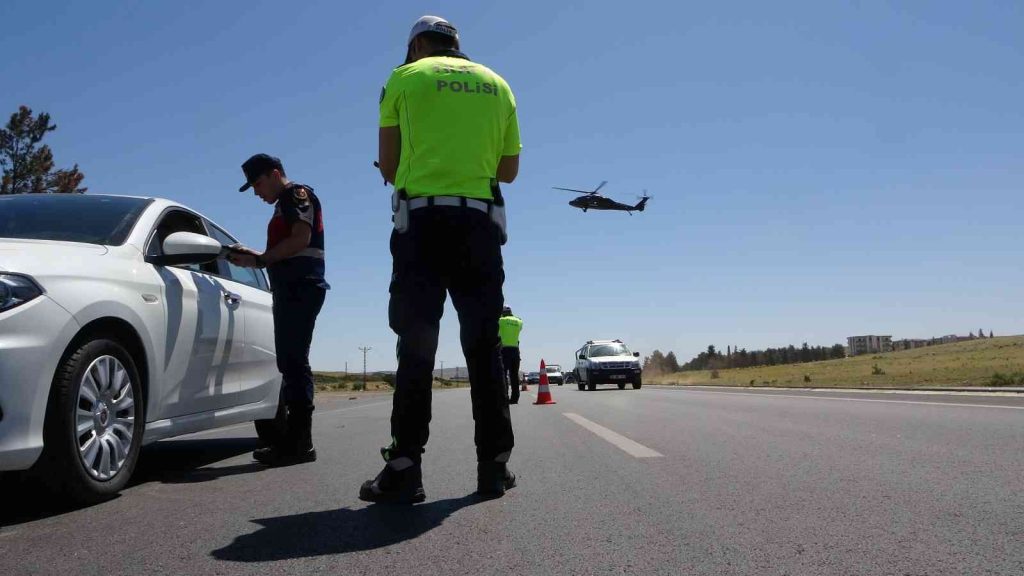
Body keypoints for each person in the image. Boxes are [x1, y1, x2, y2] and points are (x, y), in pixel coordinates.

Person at [360, 15, 522, 503]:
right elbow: (509, 171)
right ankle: (493, 467)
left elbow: (389, 165)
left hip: (421, 227)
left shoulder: (403, 78)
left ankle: (406, 469)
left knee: (417, 347)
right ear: (457, 45)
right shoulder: (498, 84)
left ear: (415, 47)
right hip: (479, 228)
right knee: (484, 347)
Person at [230, 153, 329, 466]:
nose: (257, 192)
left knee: (294, 362)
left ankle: (300, 444)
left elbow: (301, 239)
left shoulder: (295, 195)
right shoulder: (282, 203)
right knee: (291, 361)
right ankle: (296, 441)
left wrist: (261, 259)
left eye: (258, 184)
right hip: (292, 288)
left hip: (301, 287)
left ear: (275, 174)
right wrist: (257, 257)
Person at [498, 306, 524, 404]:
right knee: (514, 375)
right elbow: (520, 321)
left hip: (504, 350)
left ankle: (504, 396)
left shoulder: (501, 320)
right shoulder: (518, 321)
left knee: (503, 375)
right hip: (515, 351)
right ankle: (515, 398)